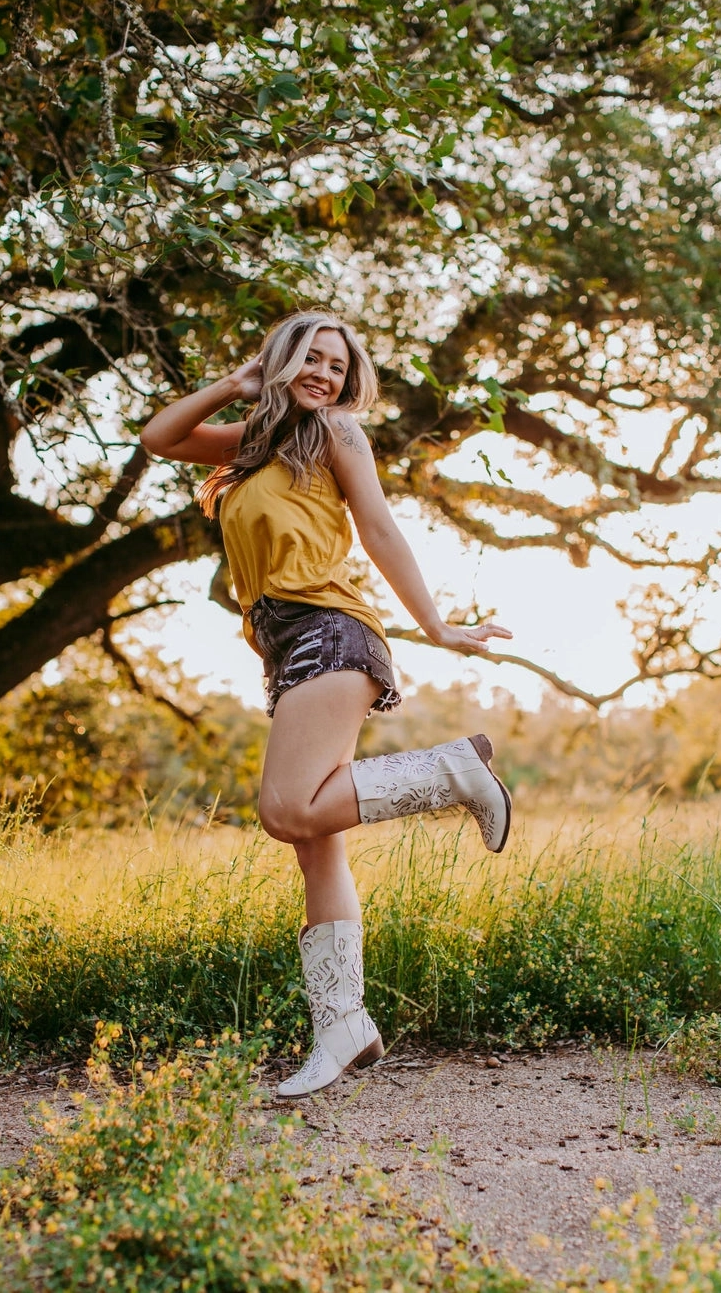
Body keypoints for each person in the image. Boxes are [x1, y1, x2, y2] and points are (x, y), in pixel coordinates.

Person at [140, 310, 513, 1098]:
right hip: (286, 647)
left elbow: (377, 525)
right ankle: (341, 1022)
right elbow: (159, 437)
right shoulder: (252, 442)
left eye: (336, 365)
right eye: (310, 358)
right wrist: (240, 385)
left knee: (287, 810)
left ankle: (454, 773)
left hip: (329, 629)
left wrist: (438, 626)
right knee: (315, 839)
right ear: (279, 360)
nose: (324, 374)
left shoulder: (337, 433)